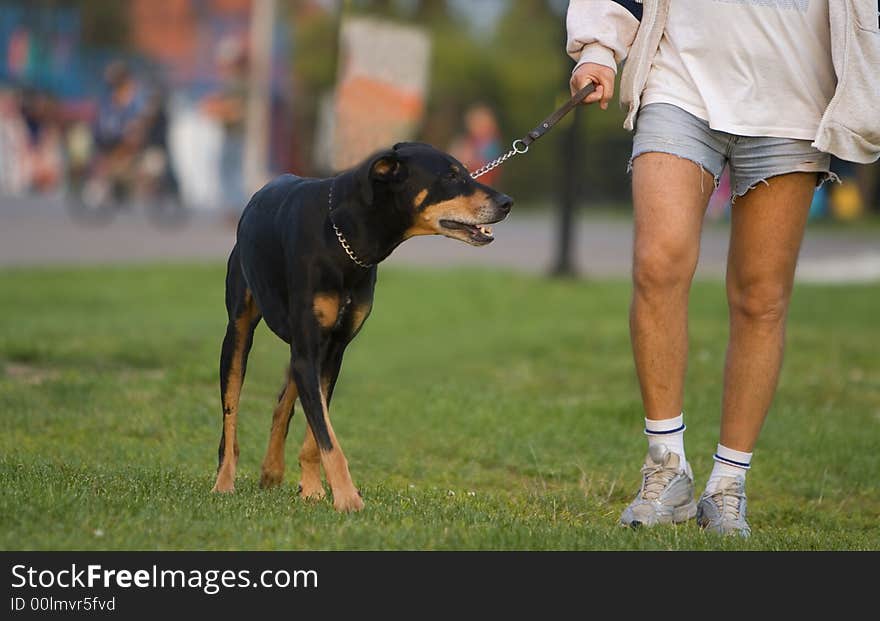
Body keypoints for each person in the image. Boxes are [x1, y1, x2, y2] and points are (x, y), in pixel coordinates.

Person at [566, 0, 879, 536]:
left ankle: (728, 484)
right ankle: (666, 470)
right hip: (679, 82)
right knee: (657, 263)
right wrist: (598, 48)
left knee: (762, 296)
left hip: (795, 102)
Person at [449, 103, 503, 186]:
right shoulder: (466, 140)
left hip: (482, 183)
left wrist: (470, 158)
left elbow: (489, 163)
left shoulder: (490, 142)